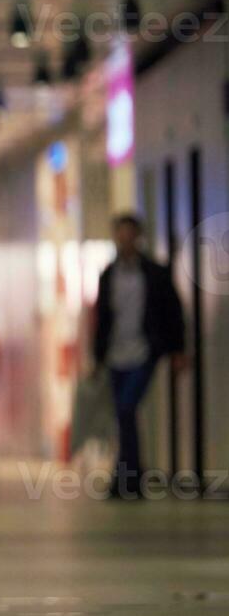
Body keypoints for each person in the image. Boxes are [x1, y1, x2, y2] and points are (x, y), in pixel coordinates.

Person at [92, 213, 187, 499]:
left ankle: (128, 477)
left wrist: (177, 350)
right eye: (120, 233)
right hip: (116, 354)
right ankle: (129, 477)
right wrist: (97, 358)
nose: (125, 239)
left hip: (145, 352)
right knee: (123, 415)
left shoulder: (155, 273)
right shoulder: (109, 274)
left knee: (125, 408)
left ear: (138, 236)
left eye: (129, 233)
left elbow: (173, 312)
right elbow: (102, 319)